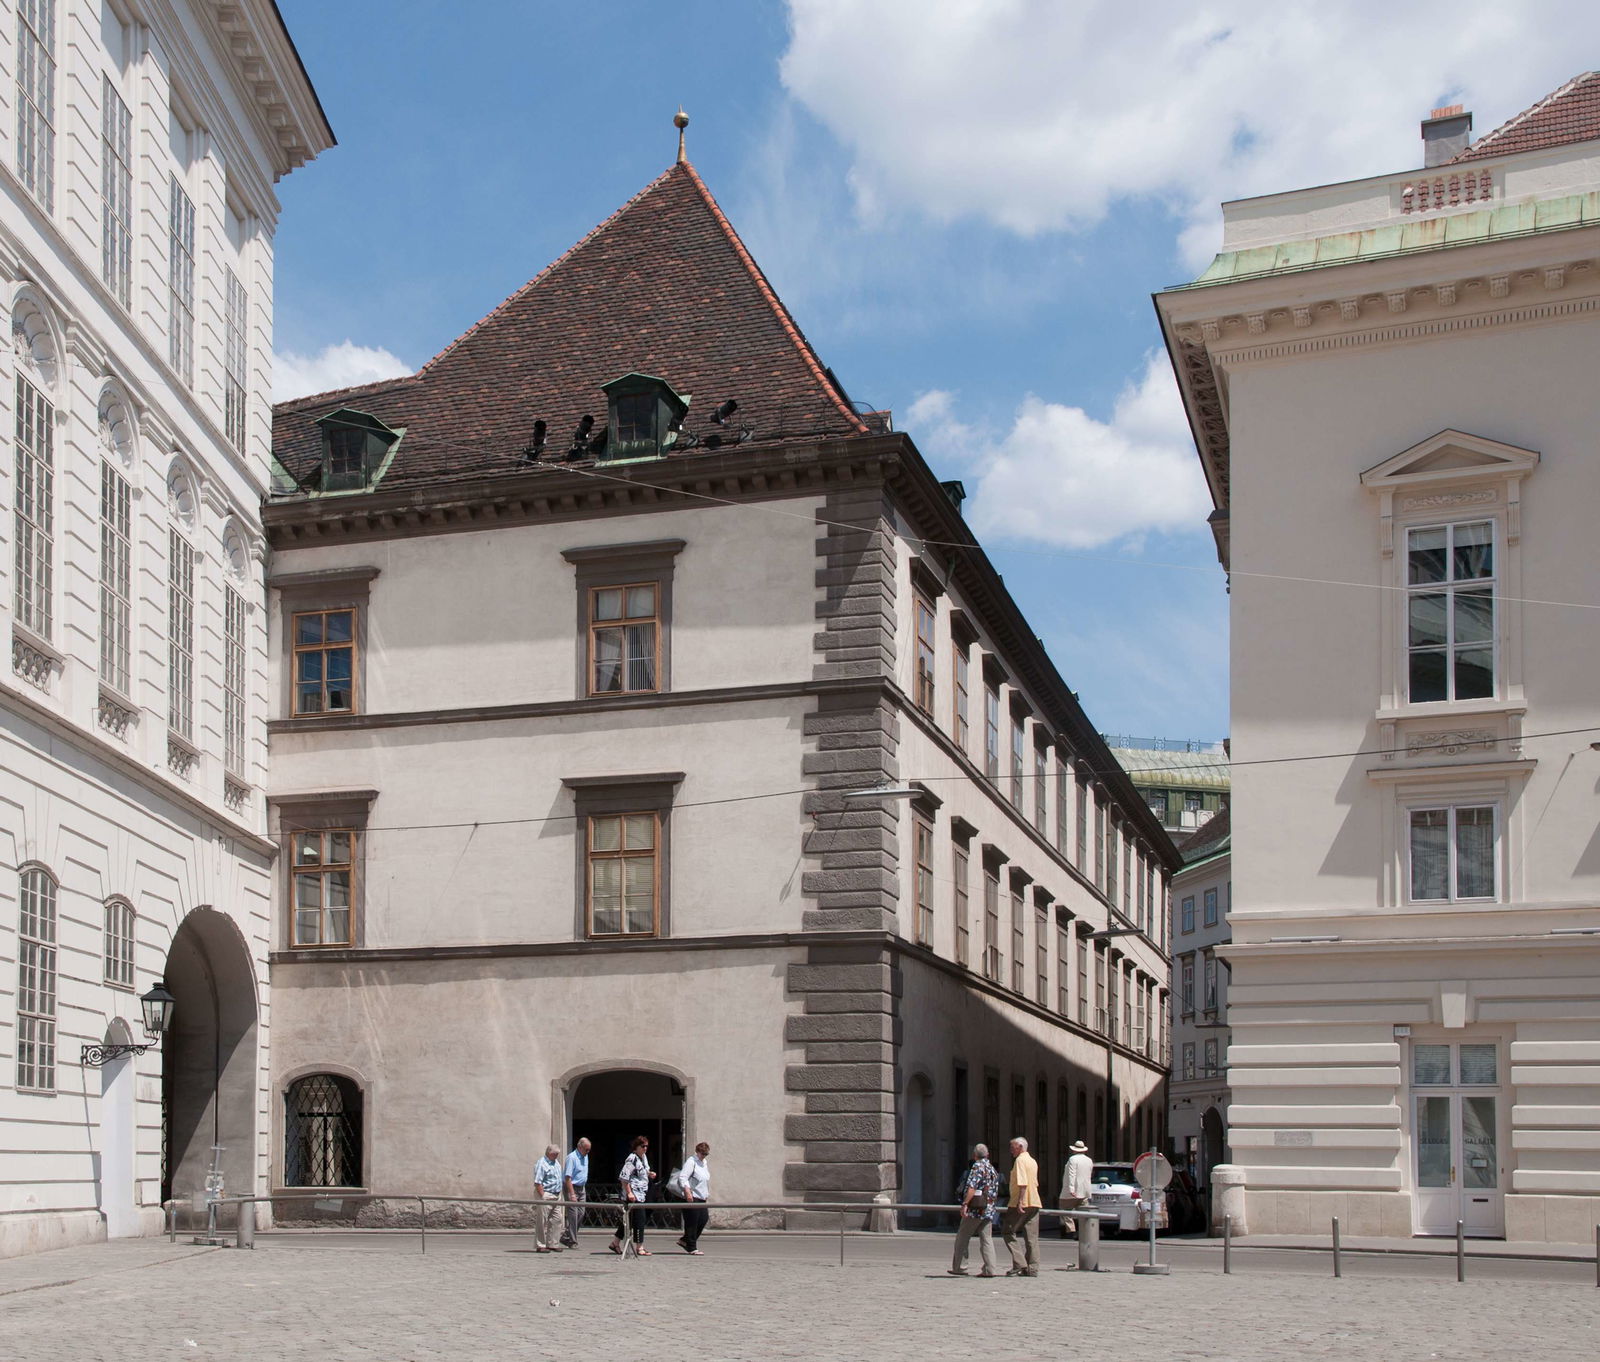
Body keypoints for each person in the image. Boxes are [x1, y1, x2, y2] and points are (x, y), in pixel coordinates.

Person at [948, 1143, 999, 1277]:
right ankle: (990, 1269)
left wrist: (965, 1204)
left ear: (974, 1155)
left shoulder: (977, 1167)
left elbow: (972, 1187)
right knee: (987, 1238)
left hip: (975, 1209)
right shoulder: (992, 1168)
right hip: (988, 1209)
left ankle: (960, 1267)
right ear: (987, 1155)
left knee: (962, 1237)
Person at [609, 1134, 655, 1256]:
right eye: (643, 1146)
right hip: (634, 1194)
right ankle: (639, 1247)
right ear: (636, 1147)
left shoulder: (643, 1158)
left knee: (629, 1220)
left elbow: (641, 1172)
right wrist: (629, 1192)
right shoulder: (632, 1159)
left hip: (642, 1193)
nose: (645, 1148)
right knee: (639, 1219)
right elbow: (624, 1177)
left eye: (646, 1146)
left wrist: (649, 1174)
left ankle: (615, 1242)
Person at [1002, 1136, 1041, 1276]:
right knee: (1031, 1237)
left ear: (1020, 1146)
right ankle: (1032, 1268)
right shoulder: (1032, 1161)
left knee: (1008, 1231)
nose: (1010, 1150)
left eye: (1012, 1147)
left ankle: (1019, 1263)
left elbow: (1023, 1183)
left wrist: (1020, 1202)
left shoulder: (1020, 1160)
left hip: (1021, 1202)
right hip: (1035, 1201)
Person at [675, 1142, 712, 1254]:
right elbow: (683, 1177)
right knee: (692, 1222)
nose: (704, 1156)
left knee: (703, 1219)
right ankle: (692, 1247)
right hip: (692, 1196)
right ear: (697, 1152)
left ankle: (685, 1240)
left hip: (701, 1197)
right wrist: (687, 1191)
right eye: (702, 1154)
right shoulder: (691, 1162)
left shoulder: (704, 1162)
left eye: (706, 1154)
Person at [532, 1144, 565, 1252]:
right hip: (546, 1194)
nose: (557, 1156)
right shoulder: (542, 1163)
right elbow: (537, 1182)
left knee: (557, 1219)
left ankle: (553, 1243)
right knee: (542, 1221)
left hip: (556, 1194)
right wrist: (543, 1195)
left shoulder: (556, 1163)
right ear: (549, 1153)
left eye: (557, 1154)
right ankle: (540, 1245)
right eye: (555, 1154)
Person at [1059, 1140, 1093, 1237]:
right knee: (1083, 1212)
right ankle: (1084, 1231)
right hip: (1085, 1190)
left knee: (1064, 1208)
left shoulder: (1073, 1159)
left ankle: (1071, 1229)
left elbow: (1071, 1174)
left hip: (1072, 1191)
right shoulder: (1089, 1160)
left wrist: (1071, 1189)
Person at [561, 1138, 590, 1248]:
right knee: (573, 1215)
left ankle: (566, 1236)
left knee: (581, 1213)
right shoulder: (571, 1158)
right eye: (586, 1149)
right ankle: (572, 1241)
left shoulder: (585, 1156)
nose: (588, 1152)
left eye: (589, 1150)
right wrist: (572, 1194)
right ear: (580, 1147)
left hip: (581, 1187)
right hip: (571, 1187)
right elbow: (567, 1177)